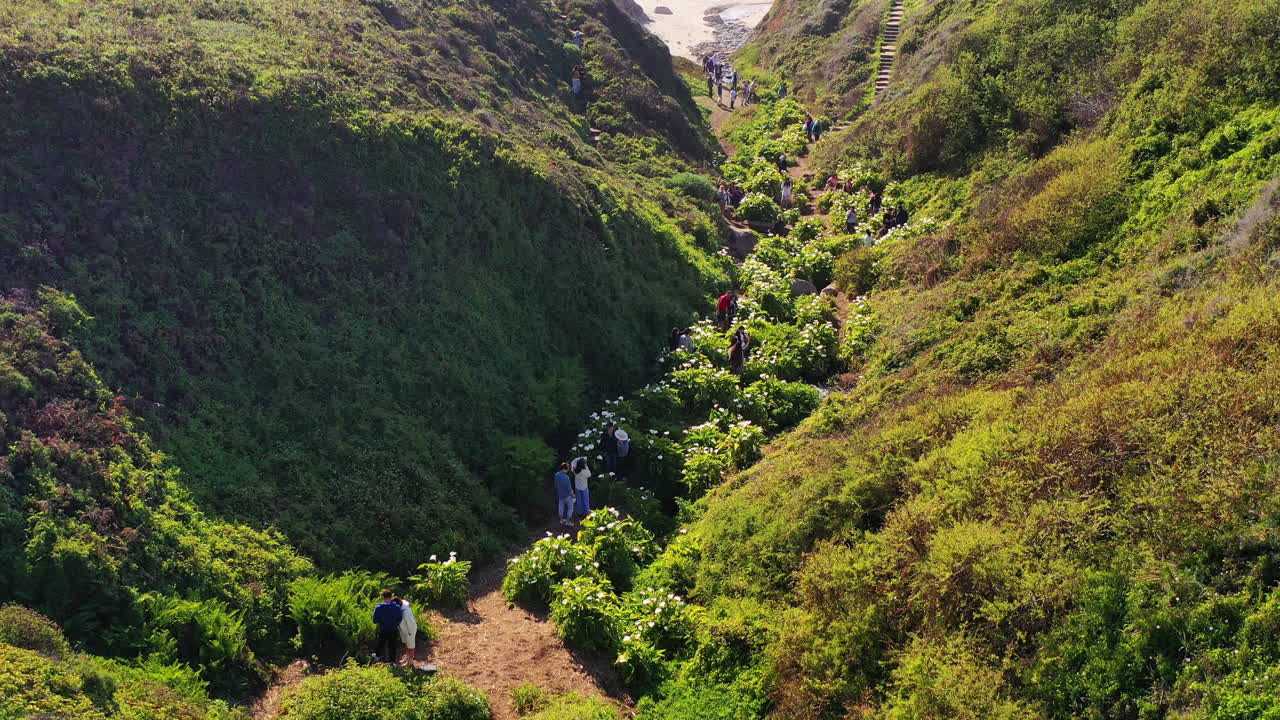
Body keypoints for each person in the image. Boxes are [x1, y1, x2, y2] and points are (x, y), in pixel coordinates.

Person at [372, 589, 403, 663]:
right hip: (393, 630)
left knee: (380, 644)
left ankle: (376, 658)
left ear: (383, 597)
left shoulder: (378, 608)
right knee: (392, 647)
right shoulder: (397, 607)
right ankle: (392, 663)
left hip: (383, 630)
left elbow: (375, 620)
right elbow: (399, 619)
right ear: (391, 597)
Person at [395, 596, 417, 667]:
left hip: (410, 631)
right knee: (406, 645)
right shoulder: (401, 608)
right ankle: (407, 657)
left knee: (411, 647)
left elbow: (412, 623)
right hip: (404, 630)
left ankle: (410, 661)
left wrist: (410, 633)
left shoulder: (406, 612)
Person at [555, 462, 575, 526]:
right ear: (564, 469)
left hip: (560, 495)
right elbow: (569, 488)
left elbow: (556, 485)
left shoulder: (557, 475)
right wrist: (573, 495)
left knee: (560, 507)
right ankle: (568, 521)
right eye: (567, 469)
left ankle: (561, 520)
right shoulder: (566, 477)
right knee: (570, 508)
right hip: (567, 496)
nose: (568, 470)